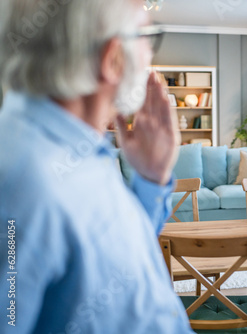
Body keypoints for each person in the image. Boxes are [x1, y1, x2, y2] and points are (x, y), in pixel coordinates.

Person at [0, 0, 194, 333]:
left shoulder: (82, 144)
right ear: (113, 58)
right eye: (148, 37)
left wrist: (151, 178)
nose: (151, 55)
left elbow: (114, 264)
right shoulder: (20, 181)